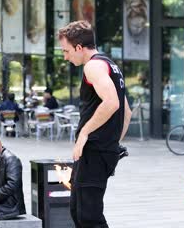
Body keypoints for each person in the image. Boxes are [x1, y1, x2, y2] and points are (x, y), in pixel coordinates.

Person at [58, 20, 132, 228]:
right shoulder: (110, 65)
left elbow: (112, 103)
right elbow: (126, 112)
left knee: (88, 216)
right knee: (79, 210)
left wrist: (84, 134)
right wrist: (112, 144)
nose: (65, 57)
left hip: (94, 151)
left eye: (67, 51)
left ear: (79, 47)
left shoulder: (93, 66)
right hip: (100, 151)